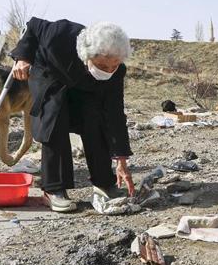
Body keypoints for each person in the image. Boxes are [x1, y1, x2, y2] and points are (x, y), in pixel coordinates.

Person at [10, 17, 135, 212]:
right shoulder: (60, 34)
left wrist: (121, 159)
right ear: (88, 55)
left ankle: (104, 182)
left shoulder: (115, 73)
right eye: (103, 66)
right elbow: (33, 26)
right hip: (51, 74)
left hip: (83, 84)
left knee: (96, 118)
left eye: (115, 65)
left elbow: (115, 113)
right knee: (54, 115)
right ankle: (53, 189)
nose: (109, 70)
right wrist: (23, 57)